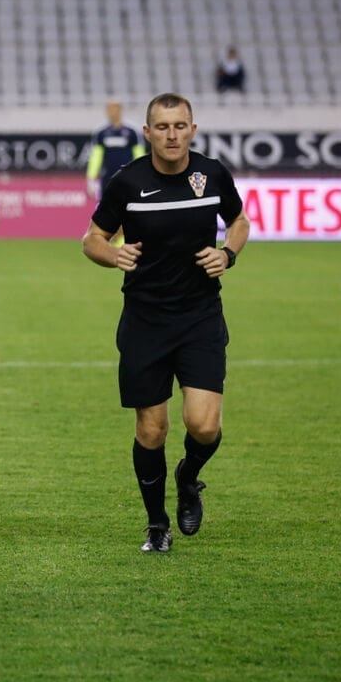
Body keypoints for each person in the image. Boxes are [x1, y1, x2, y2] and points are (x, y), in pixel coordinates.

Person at [81, 92, 250, 554]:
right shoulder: (127, 182)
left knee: (204, 426)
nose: (172, 134)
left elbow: (239, 220)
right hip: (144, 321)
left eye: (180, 126)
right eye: (163, 126)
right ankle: (157, 524)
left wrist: (228, 253)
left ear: (192, 130)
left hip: (199, 316)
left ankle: (189, 477)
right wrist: (114, 255)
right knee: (152, 430)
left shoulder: (212, 174)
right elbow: (92, 239)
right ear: (148, 133)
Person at [85, 100, 144, 201]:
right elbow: (96, 157)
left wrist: (143, 176)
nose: (112, 112)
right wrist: (91, 178)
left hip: (128, 179)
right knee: (105, 211)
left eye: (115, 109)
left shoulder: (132, 131)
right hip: (107, 179)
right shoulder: (100, 132)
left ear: (120, 110)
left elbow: (139, 156)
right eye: (109, 109)